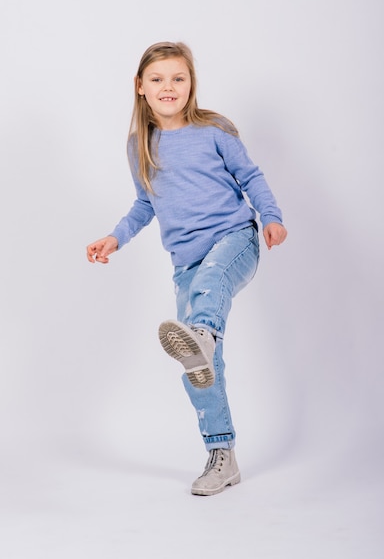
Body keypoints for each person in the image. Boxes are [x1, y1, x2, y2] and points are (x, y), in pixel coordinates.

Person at [87, 41, 287, 496]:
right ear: (140, 87)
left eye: (178, 78)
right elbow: (144, 204)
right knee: (203, 365)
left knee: (211, 289)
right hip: (186, 262)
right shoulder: (139, 144)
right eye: (157, 79)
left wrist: (271, 216)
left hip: (235, 240)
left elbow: (251, 176)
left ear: (191, 83)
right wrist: (116, 237)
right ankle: (223, 456)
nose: (168, 87)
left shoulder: (215, 130)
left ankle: (201, 332)